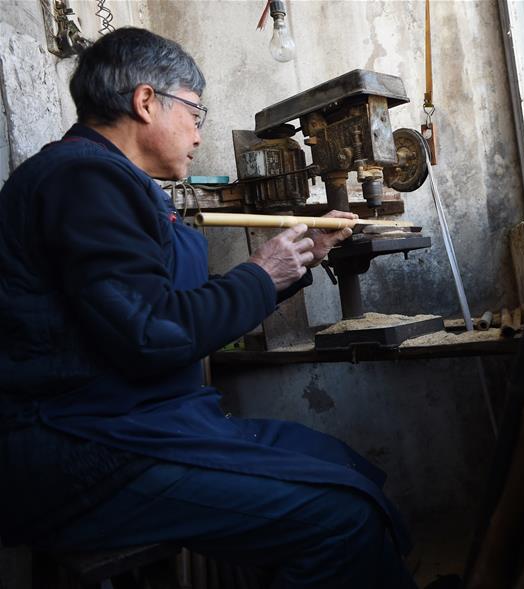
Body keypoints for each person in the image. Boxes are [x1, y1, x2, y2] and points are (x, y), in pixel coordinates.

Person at [0, 27, 418, 588]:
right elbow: (151, 334)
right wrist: (259, 274)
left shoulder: (110, 180)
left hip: (138, 422)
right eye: (195, 112)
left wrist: (294, 265)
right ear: (146, 102)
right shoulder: (83, 179)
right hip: (84, 449)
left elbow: (162, 306)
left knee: (346, 468)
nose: (199, 133)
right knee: (340, 518)